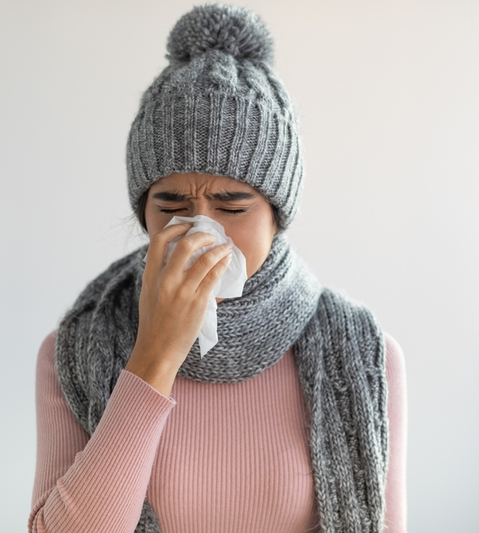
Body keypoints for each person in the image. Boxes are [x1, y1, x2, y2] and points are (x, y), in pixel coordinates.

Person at [29, 4, 407, 533]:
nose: (202, 232)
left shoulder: (365, 355)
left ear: (279, 214)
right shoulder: (72, 352)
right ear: (143, 212)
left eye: (232, 205)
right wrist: (154, 355)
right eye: (171, 205)